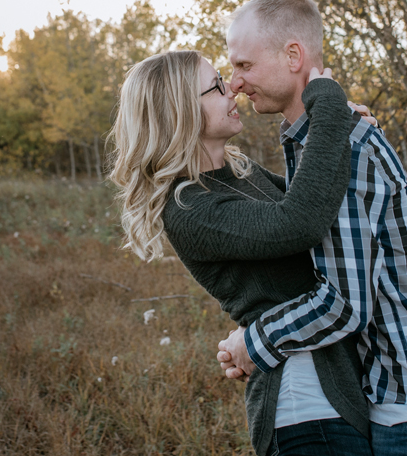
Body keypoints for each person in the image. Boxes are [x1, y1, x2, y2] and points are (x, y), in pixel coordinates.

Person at [216, 0, 407, 456]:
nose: (235, 83)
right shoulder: (317, 144)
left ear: (293, 55)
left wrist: (254, 343)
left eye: (244, 65)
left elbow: (344, 304)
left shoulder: (345, 149)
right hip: (402, 395)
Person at [108, 49, 375, 456]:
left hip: (337, 390)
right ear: (180, 112)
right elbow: (300, 223)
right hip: (305, 407)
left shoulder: (239, 172)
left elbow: (323, 203)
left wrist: (346, 131)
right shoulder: (190, 208)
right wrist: (328, 108)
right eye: (216, 85)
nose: (232, 86)